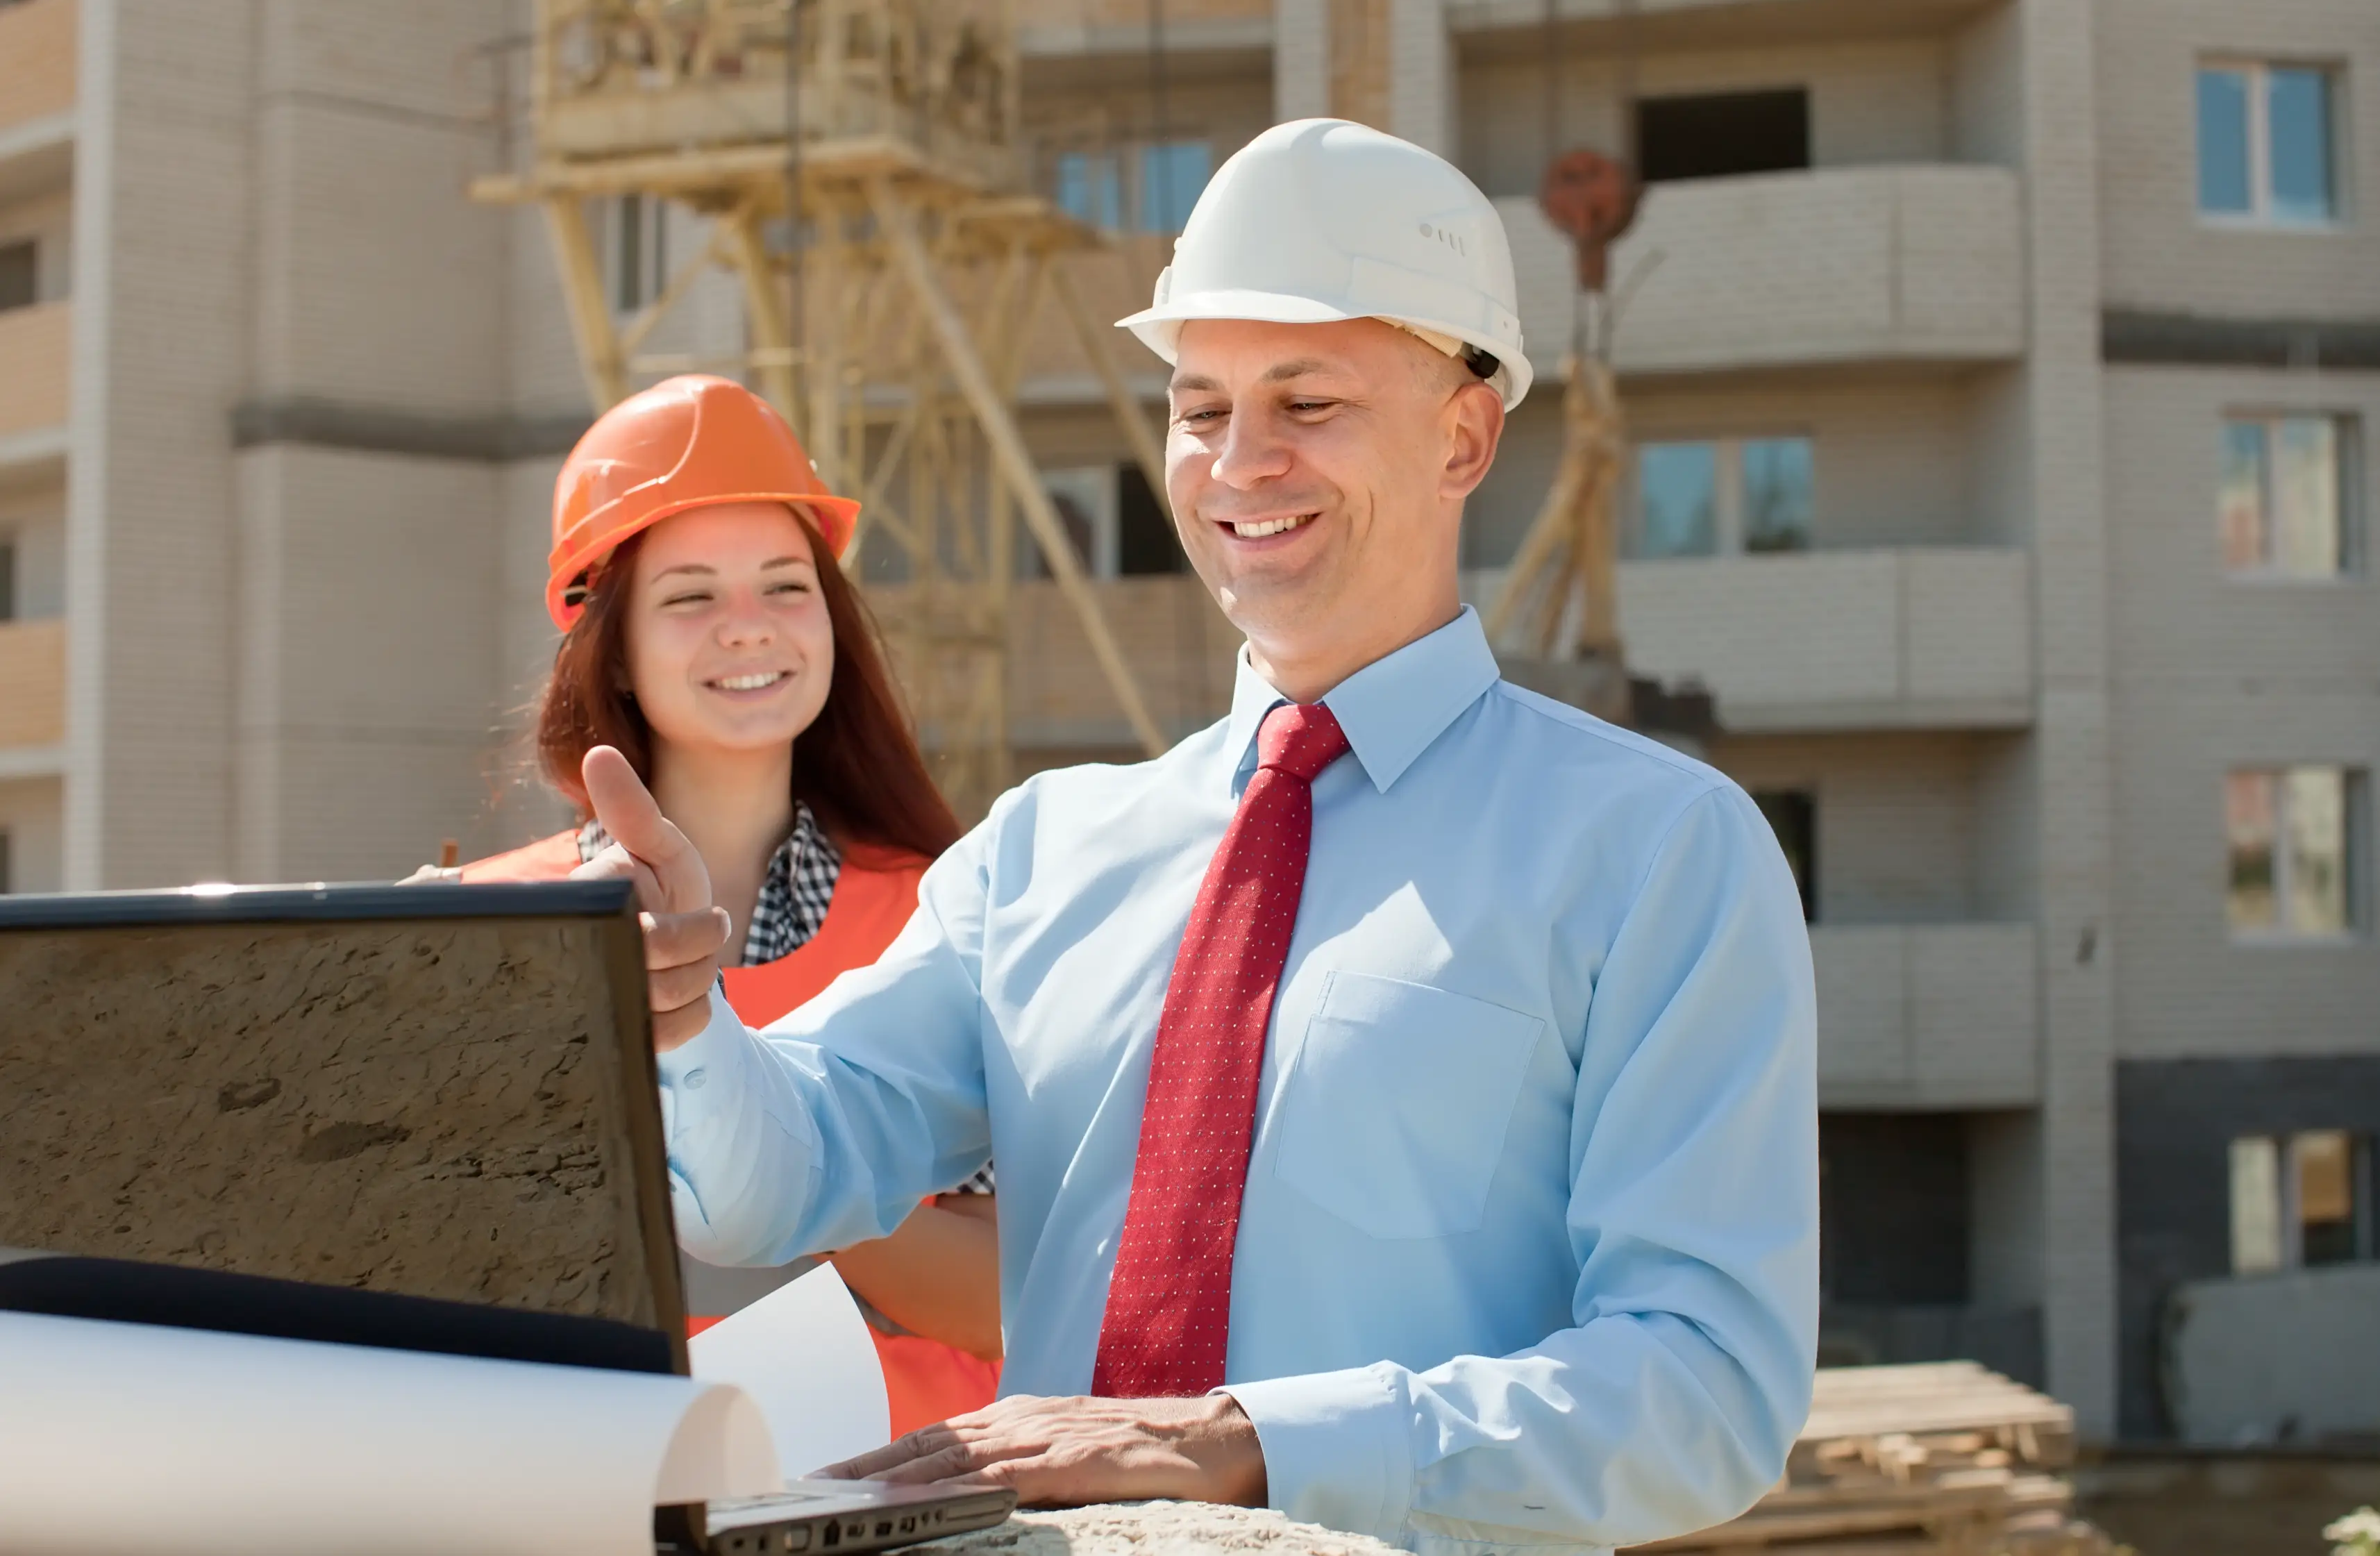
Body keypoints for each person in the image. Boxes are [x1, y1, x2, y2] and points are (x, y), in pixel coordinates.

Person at [585, 120, 1819, 1555]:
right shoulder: (1044, 849)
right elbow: (779, 1169)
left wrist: (1242, 1441)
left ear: (1465, 435)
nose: (1242, 461)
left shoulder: (1657, 852)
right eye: (1200, 404)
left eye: (1309, 401)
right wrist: (680, 1016)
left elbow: (1707, 1390)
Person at [446, 374, 1005, 1434]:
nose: (747, 628)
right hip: (593, 1493)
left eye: (786, 586)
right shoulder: (491, 929)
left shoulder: (953, 911)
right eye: (691, 595)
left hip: (904, 1504)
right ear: (610, 642)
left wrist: (760, 1155)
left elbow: (1004, 1302)